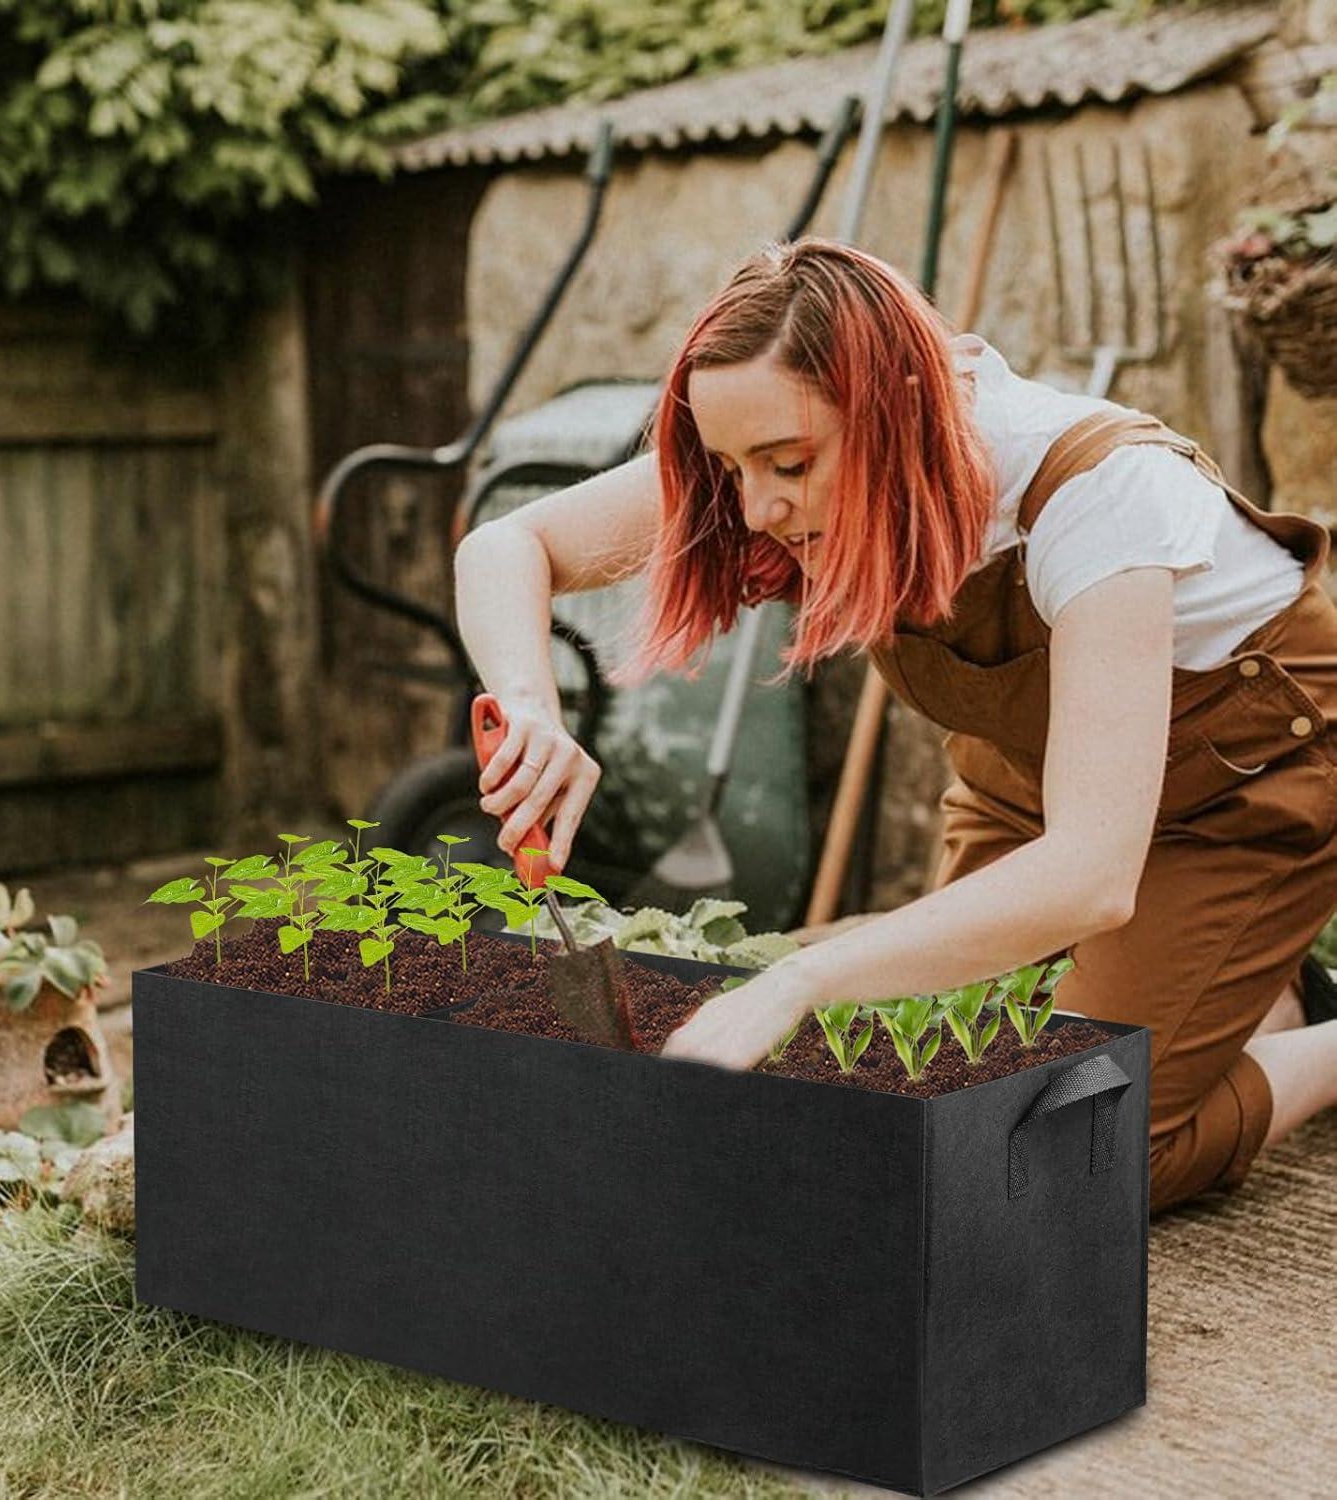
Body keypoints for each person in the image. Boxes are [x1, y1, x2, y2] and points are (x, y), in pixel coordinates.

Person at [453, 237, 1337, 1214]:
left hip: (1249, 781)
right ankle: (1253, 991)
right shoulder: (771, 449)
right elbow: (510, 545)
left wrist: (797, 980)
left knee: (1066, 1147)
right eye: (731, 466)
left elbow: (1090, 874)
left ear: (898, 412)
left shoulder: (1099, 494)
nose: (756, 507)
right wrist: (532, 706)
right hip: (1033, 783)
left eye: (787, 463)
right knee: (934, 1084)